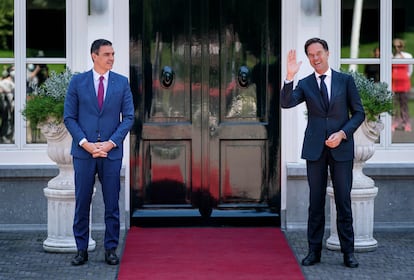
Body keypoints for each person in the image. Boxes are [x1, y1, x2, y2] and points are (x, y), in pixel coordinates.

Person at [280, 38, 365, 268]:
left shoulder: (345, 81)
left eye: (318, 53)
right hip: (315, 149)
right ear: (308, 58)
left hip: (342, 149)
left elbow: (359, 113)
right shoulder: (306, 84)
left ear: (327, 53)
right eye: (311, 55)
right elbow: (286, 103)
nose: (315, 58)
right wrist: (289, 76)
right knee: (315, 203)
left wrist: (343, 134)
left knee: (343, 202)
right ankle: (313, 252)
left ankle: (349, 253)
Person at [64, 39, 134, 266]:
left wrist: (110, 143)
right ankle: (81, 249)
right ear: (94, 56)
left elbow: (129, 118)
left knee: (112, 203)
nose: (112, 58)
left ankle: (111, 249)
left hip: (111, 153)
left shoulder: (122, 83)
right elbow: (69, 118)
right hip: (84, 153)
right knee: (82, 201)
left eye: (113, 54)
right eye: (107, 54)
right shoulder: (77, 82)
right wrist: (86, 143)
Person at [391, 38, 412, 132]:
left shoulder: (407, 56)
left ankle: (406, 122)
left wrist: (404, 77)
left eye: (398, 46)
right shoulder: (392, 56)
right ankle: (395, 122)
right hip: (394, 84)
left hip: (404, 83)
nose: (396, 48)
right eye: (394, 46)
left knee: (404, 104)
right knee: (394, 105)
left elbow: (410, 70)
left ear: (402, 46)